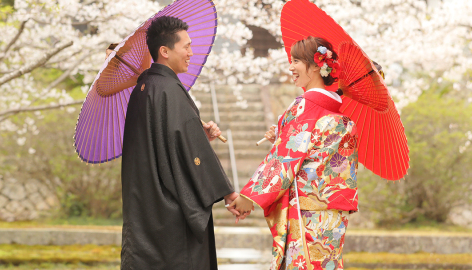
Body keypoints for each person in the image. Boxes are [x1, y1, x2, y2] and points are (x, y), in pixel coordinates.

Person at [120, 15, 241, 270]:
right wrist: (228, 193)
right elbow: (191, 151)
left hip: (146, 210)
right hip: (173, 217)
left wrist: (198, 134)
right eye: (186, 46)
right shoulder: (169, 90)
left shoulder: (143, 89)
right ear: (164, 51)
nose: (191, 53)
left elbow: (166, 143)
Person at [230, 36, 359, 270]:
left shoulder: (305, 106)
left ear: (317, 66)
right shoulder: (338, 114)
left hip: (306, 212)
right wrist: (282, 134)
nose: (291, 67)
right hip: (333, 215)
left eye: (297, 61)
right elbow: (311, 151)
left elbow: (284, 159)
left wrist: (247, 198)